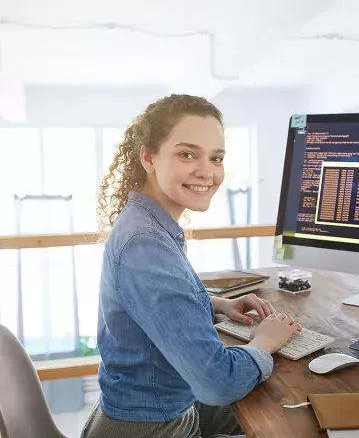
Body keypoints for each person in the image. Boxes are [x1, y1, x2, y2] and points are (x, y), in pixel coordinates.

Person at [81, 94, 302, 438]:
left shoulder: (147, 224)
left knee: (277, 415)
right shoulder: (145, 243)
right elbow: (218, 384)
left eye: (216, 157)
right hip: (150, 428)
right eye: (187, 154)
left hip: (152, 410)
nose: (207, 172)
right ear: (148, 157)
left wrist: (214, 303)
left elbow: (150, 303)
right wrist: (263, 343)